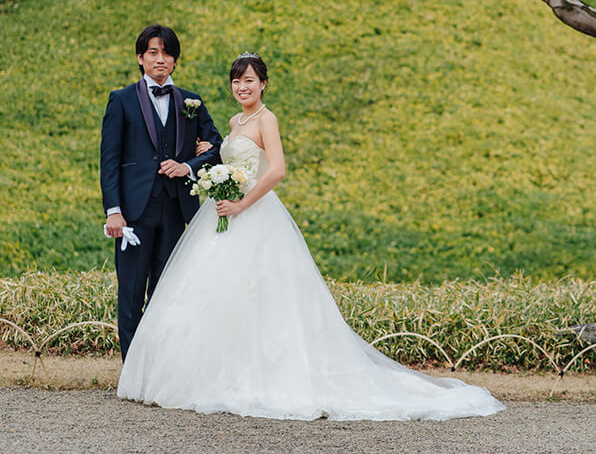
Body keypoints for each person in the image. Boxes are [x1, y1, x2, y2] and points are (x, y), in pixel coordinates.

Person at [117, 52, 503, 420]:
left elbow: (277, 170)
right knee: (212, 294)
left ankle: (265, 376)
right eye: (236, 81)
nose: (242, 87)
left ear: (263, 84)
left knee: (262, 294)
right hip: (223, 214)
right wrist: (211, 159)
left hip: (254, 213)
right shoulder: (235, 122)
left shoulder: (268, 119)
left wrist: (242, 203)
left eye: (249, 80)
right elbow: (224, 156)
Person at [100, 25, 224, 359]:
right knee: (130, 292)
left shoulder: (191, 102)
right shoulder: (121, 100)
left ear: (175, 60)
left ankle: (157, 369)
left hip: (176, 211)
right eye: (153, 52)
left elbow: (217, 147)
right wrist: (113, 210)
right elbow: (109, 160)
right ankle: (132, 371)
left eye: (167, 53)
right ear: (140, 58)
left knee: (166, 291)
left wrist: (188, 166)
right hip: (134, 214)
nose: (160, 59)